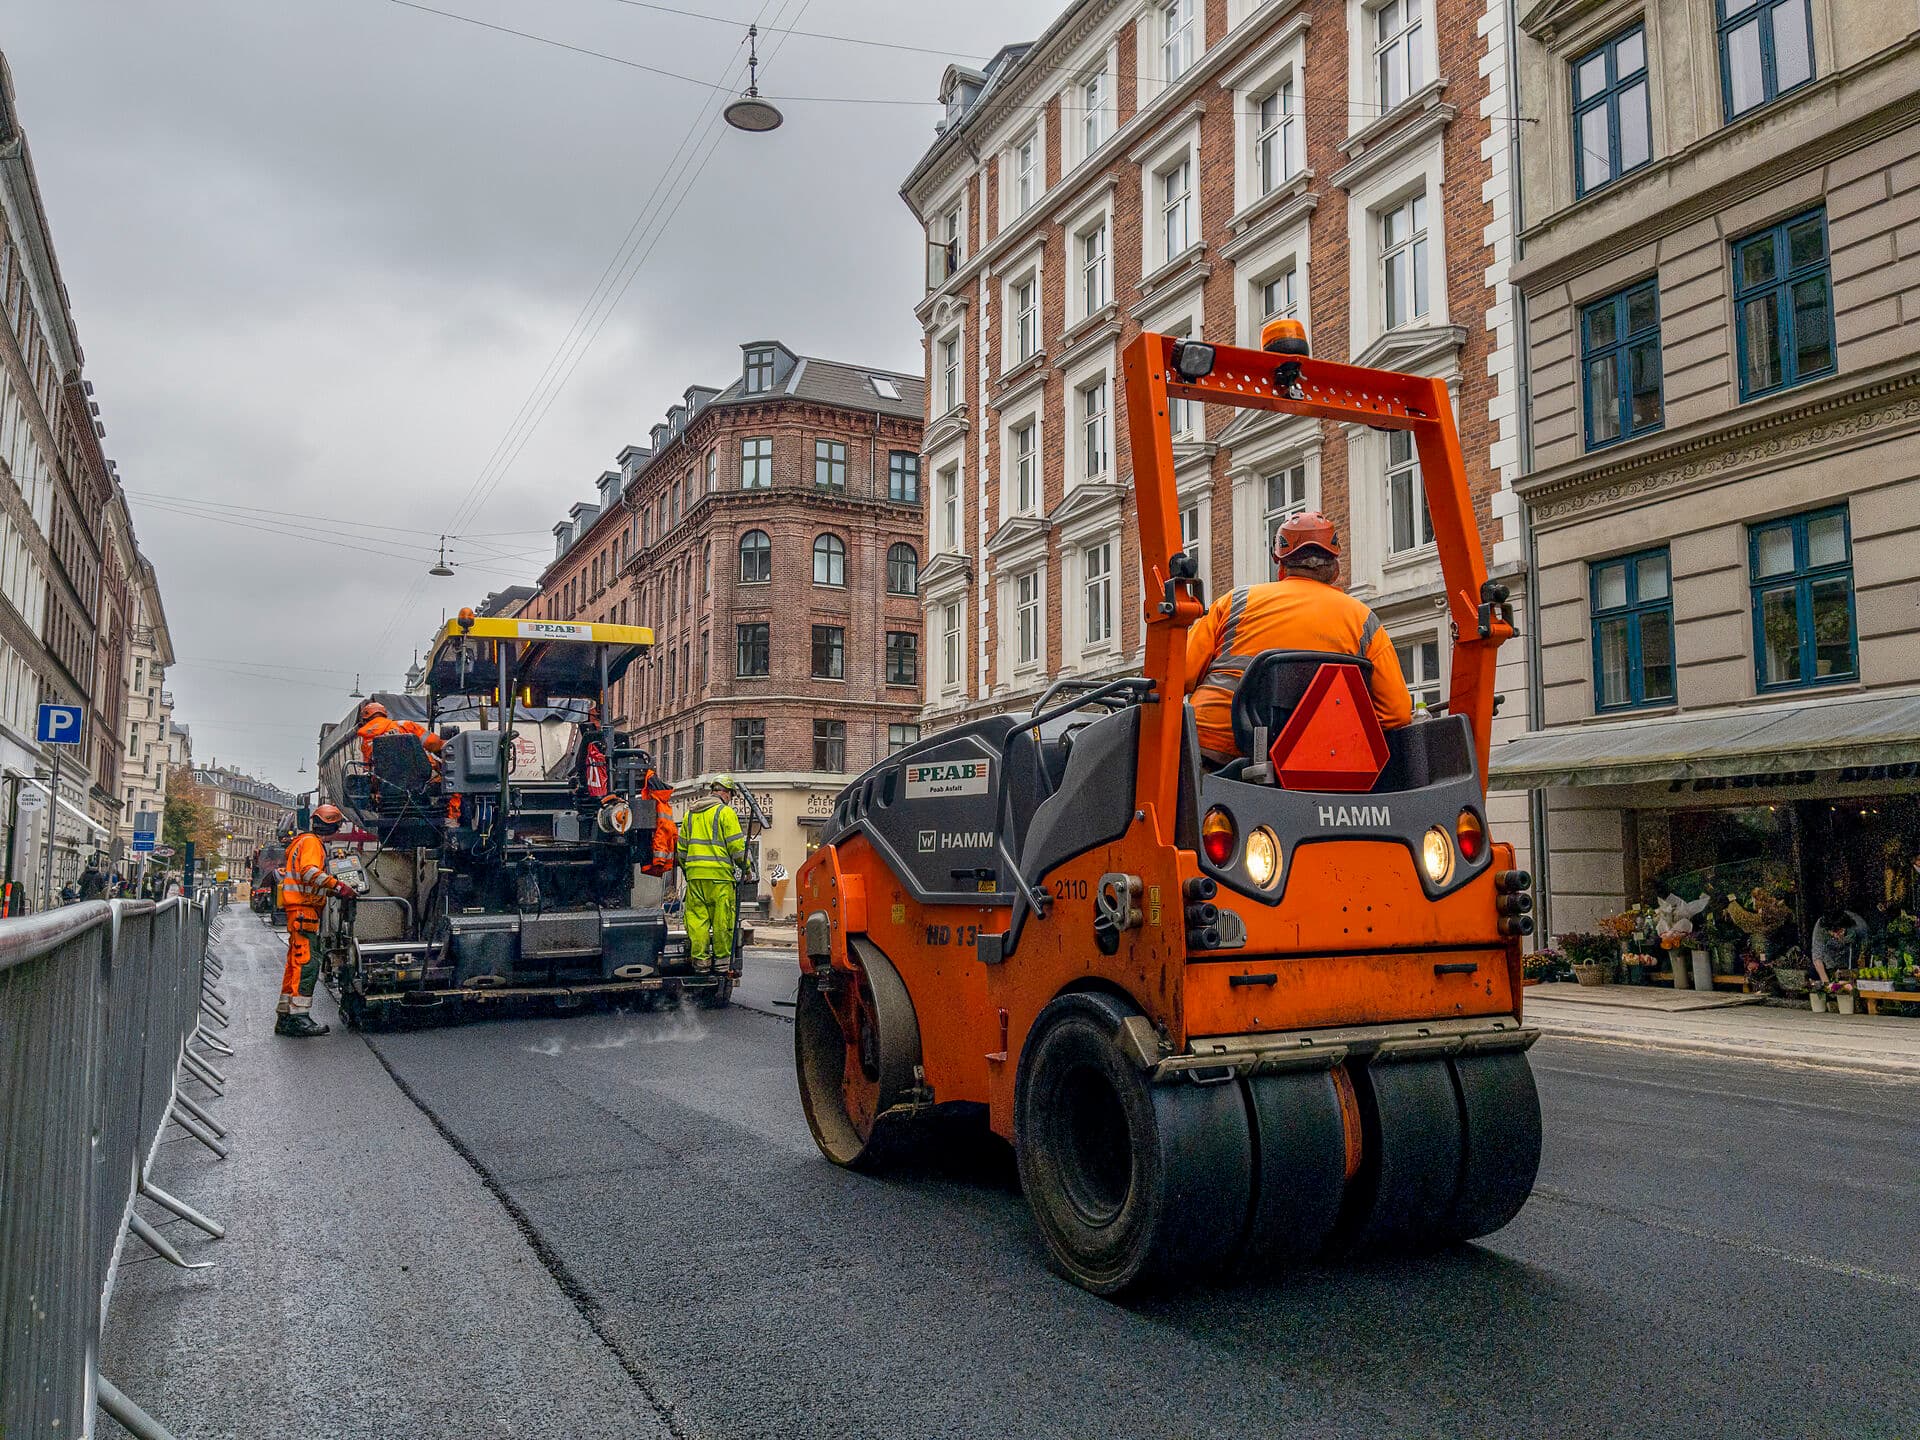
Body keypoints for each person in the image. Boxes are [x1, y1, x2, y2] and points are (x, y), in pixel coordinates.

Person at [1184, 510, 1414, 766]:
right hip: (1317, 763)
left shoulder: (1235, 602)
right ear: (1334, 567)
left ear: (1280, 564)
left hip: (1215, 749)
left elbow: (1179, 675)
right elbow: (1397, 712)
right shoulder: (1361, 619)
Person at [275, 803, 357, 1037]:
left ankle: (286, 1014)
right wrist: (338, 885)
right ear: (332, 826)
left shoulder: (300, 842)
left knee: (295, 965)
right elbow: (309, 872)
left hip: (298, 911)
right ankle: (299, 1018)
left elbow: (307, 880)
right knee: (308, 964)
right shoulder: (312, 843)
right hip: (304, 912)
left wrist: (330, 891)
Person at [677, 775, 747, 976]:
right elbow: (737, 848)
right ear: (726, 792)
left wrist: (689, 870)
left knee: (697, 920)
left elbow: (681, 851)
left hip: (695, 877)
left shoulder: (690, 814)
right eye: (731, 795)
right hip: (720, 878)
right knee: (722, 921)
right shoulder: (725, 813)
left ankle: (701, 962)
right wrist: (747, 868)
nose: (731, 799)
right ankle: (722, 963)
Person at [355, 699, 444, 772]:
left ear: (365, 720)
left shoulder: (366, 743)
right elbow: (433, 743)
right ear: (385, 714)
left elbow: (367, 769)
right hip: (423, 779)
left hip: (388, 788)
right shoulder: (405, 725)